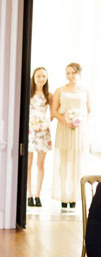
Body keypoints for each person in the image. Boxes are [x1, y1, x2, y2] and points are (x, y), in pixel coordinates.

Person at [51, 62, 91, 209]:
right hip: (63, 128)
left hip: (79, 130)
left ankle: (74, 196)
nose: (70, 76)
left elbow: (89, 111)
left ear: (79, 73)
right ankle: (64, 195)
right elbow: (54, 111)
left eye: (73, 72)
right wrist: (66, 121)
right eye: (68, 73)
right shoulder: (59, 90)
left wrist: (81, 121)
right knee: (64, 163)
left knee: (77, 162)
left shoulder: (85, 90)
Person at [27, 67, 52, 208]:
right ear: (34, 77)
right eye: (39, 76)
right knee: (28, 165)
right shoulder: (29, 94)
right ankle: (29, 194)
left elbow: (53, 113)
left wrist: (44, 122)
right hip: (31, 132)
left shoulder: (49, 95)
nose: (41, 78)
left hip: (43, 132)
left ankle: (38, 194)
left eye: (44, 76)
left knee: (40, 164)